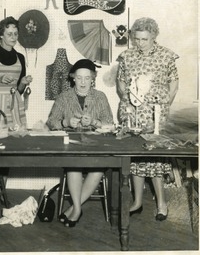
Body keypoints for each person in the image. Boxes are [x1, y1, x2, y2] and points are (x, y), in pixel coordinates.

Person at [116, 17, 179, 221]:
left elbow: (174, 84)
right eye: (137, 39)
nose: (140, 43)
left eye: (144, 39)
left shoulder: (166, 56)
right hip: (132, 113)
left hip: (155, 113)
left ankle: (161, 204)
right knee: (135, 156)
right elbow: (120, 83)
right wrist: (127, 100)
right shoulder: (126, 56)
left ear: (154, 36)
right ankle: (137, 201)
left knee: (155, 157)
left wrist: (163, 108)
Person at [47, 59, 113, 227]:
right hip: (72, 143)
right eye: (79, 78)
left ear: (93, 79)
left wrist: (95, 122)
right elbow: (51, 121)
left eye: (87, 78)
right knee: (73, 165)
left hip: (96, 144)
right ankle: (77, 209)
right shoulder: (64, 97)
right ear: (73, 78)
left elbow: (109, 123)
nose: (83, 82)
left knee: (98, 167)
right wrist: (66, 122)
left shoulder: (100, 97)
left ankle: (74, 209)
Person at [0, 16, 32, 130]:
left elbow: (19, 90)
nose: (13, 37)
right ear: (1, 35)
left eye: (15, 34)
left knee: (14, 136)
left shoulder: (21, 57)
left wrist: (23, 82)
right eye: (9, 34)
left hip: (14, 104)